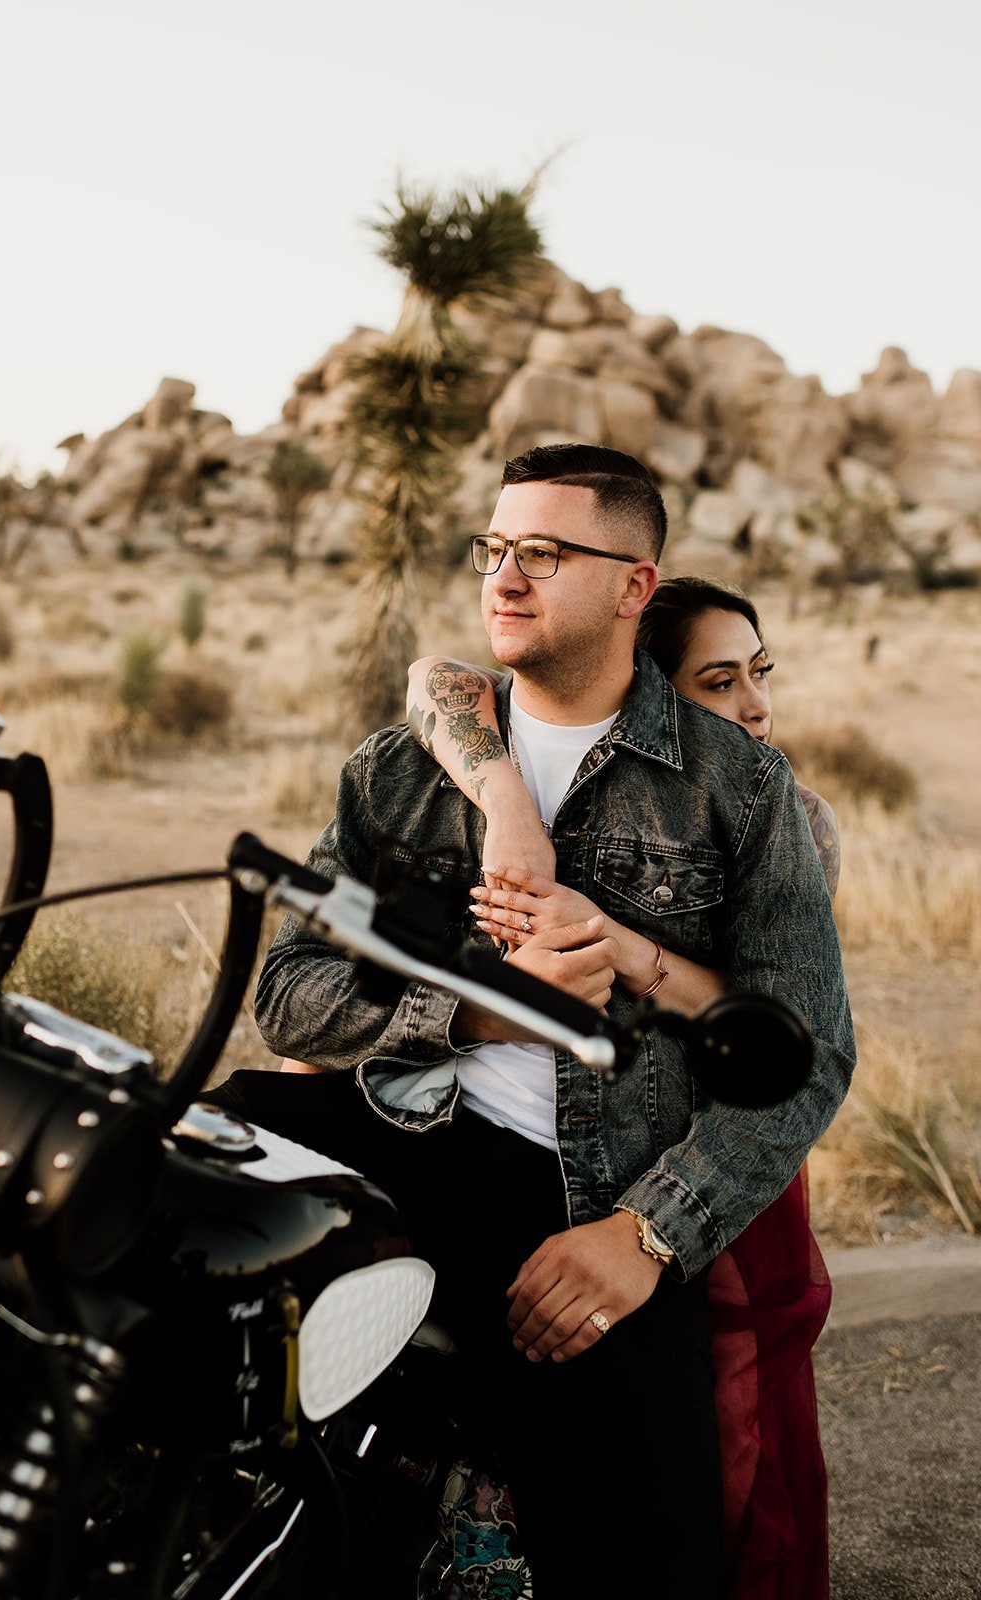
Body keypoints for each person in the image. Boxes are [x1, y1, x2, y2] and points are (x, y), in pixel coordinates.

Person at [222, 443, 854, 1599]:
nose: (504, 578)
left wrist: (649, 1236)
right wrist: (470, 1015)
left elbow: (805, 1057)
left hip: (581, 1198)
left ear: (632, 587)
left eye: (545, 554)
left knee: (644, 1560)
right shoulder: (401, 770)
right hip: (385, 1136)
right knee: (166, 1167)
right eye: (495, 549)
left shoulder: (739, 792)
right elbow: (285, 994)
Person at [406, 574, 840, 1598]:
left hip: (708, 1153)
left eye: (757, 675)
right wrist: (505, 800)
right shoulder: (550, 780)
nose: (755, 705)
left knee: (729, 1447)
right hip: (539, 1144)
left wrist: (621, 950)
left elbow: (781, 1031)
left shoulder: (787, 816)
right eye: (719, 680)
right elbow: (435, 678)